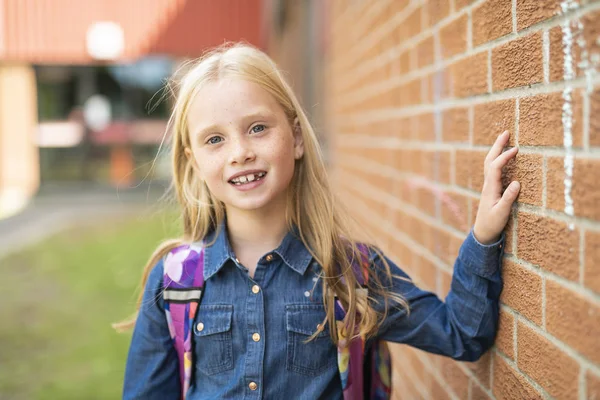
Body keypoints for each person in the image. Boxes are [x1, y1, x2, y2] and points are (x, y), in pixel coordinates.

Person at [117, 42, 521, 399]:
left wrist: (484, 235)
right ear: (195, 161)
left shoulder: (351, 273)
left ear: (294, 138)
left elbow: (462, 334)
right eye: (215, 139)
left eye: (257, 128)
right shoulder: (173, 284)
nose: (239, 152)